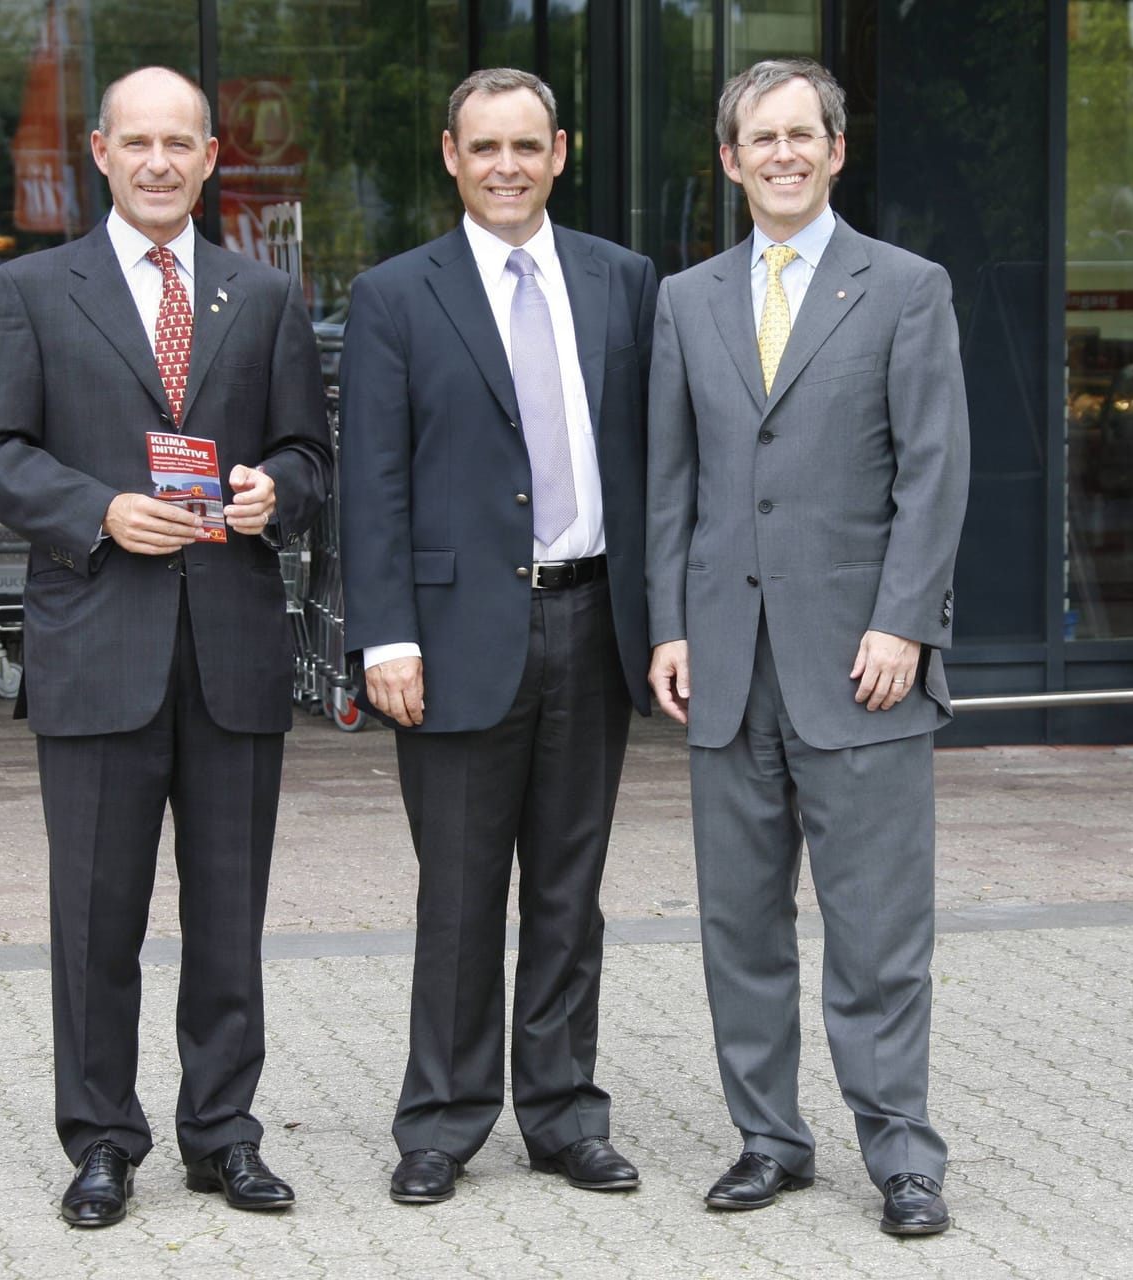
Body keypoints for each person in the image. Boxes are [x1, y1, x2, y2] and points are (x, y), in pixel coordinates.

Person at [0, 66, 332, 1228]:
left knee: (230, 917)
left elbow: (310, 458)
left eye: (183, 144)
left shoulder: (261, 296)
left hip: (231, 655)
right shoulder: (29, 291)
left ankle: (222, 1133)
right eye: (140, 142)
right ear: (101, 154)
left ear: (213, 159)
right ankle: (104, 1139)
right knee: (96, 920)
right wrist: (99, 511)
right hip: (98, 643)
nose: (161, 161)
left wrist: (277, 491)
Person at [645, 58, 970, 1237]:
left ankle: (902, 1155)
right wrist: (671, 625)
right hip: (727, 664)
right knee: (740, 922)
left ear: (837, 149)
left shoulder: (906, 287)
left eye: (803, 134)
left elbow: (935, 471)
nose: (782, 153)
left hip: (862, 662)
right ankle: (768, 1140)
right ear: (729, 161)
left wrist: (904, 620)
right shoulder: (688, 300)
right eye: (759, 138)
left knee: (878, 930)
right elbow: (670, 483)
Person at [338, 67, 656, 1206]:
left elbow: (653, 465)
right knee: (460, 891)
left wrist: (662, 625)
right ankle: (442, 1119)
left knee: (570, 890)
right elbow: (371, 482)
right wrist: (385, 637)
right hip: (452, 635)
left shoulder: (625, 283)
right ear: (450, 155)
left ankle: (565, 1113)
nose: (508, 167)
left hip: (592, 615)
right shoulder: (395, 295)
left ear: (560, 151)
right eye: (486, 148)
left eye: (528, 146)